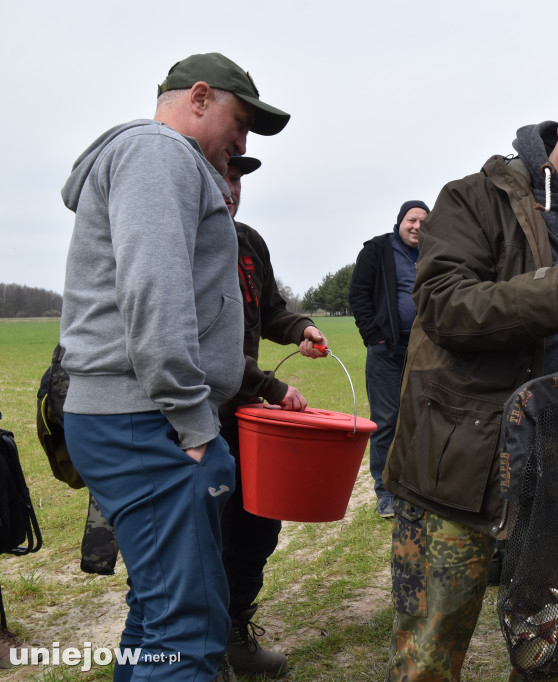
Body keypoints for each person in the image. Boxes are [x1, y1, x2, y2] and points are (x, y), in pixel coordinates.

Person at [382, 94, 558, 681]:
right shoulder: (475, 197)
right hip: (466, 457)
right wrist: (548, 297)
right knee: (433, 644)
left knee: (549, 641)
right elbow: (439, 306)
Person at [59, 52, 289, 682]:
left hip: (145, 415)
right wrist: (194, 425)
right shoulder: (157, 153)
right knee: (187, 626)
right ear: (198, 97)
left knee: (161, 608)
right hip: (146, 418)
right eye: (239, 123)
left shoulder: (167, 161)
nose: (240, 143)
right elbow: (153, 293)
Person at [219, 154, 328, 677]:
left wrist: (300, 327)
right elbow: (201, 344)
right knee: (196, 540)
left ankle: (236, 632)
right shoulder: (181, 242)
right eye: (222, 174)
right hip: (181, 417)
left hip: (241, 416)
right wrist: (269, 385)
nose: (231, 187)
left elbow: (271, 310)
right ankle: (197, 648)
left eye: (237, 178)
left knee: (256, 527)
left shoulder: (248, 243)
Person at [349, 200, 430, 519]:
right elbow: (359, 294)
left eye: (424, 222)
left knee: (423, 417)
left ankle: (415, 486)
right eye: (412, 220)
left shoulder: (434, 252)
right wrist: (374, 335)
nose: (417, 227)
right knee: (386, 420)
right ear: (400, 222)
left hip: (425, 350)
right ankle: (385, 492)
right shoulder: (377, 249)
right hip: (386, 352)